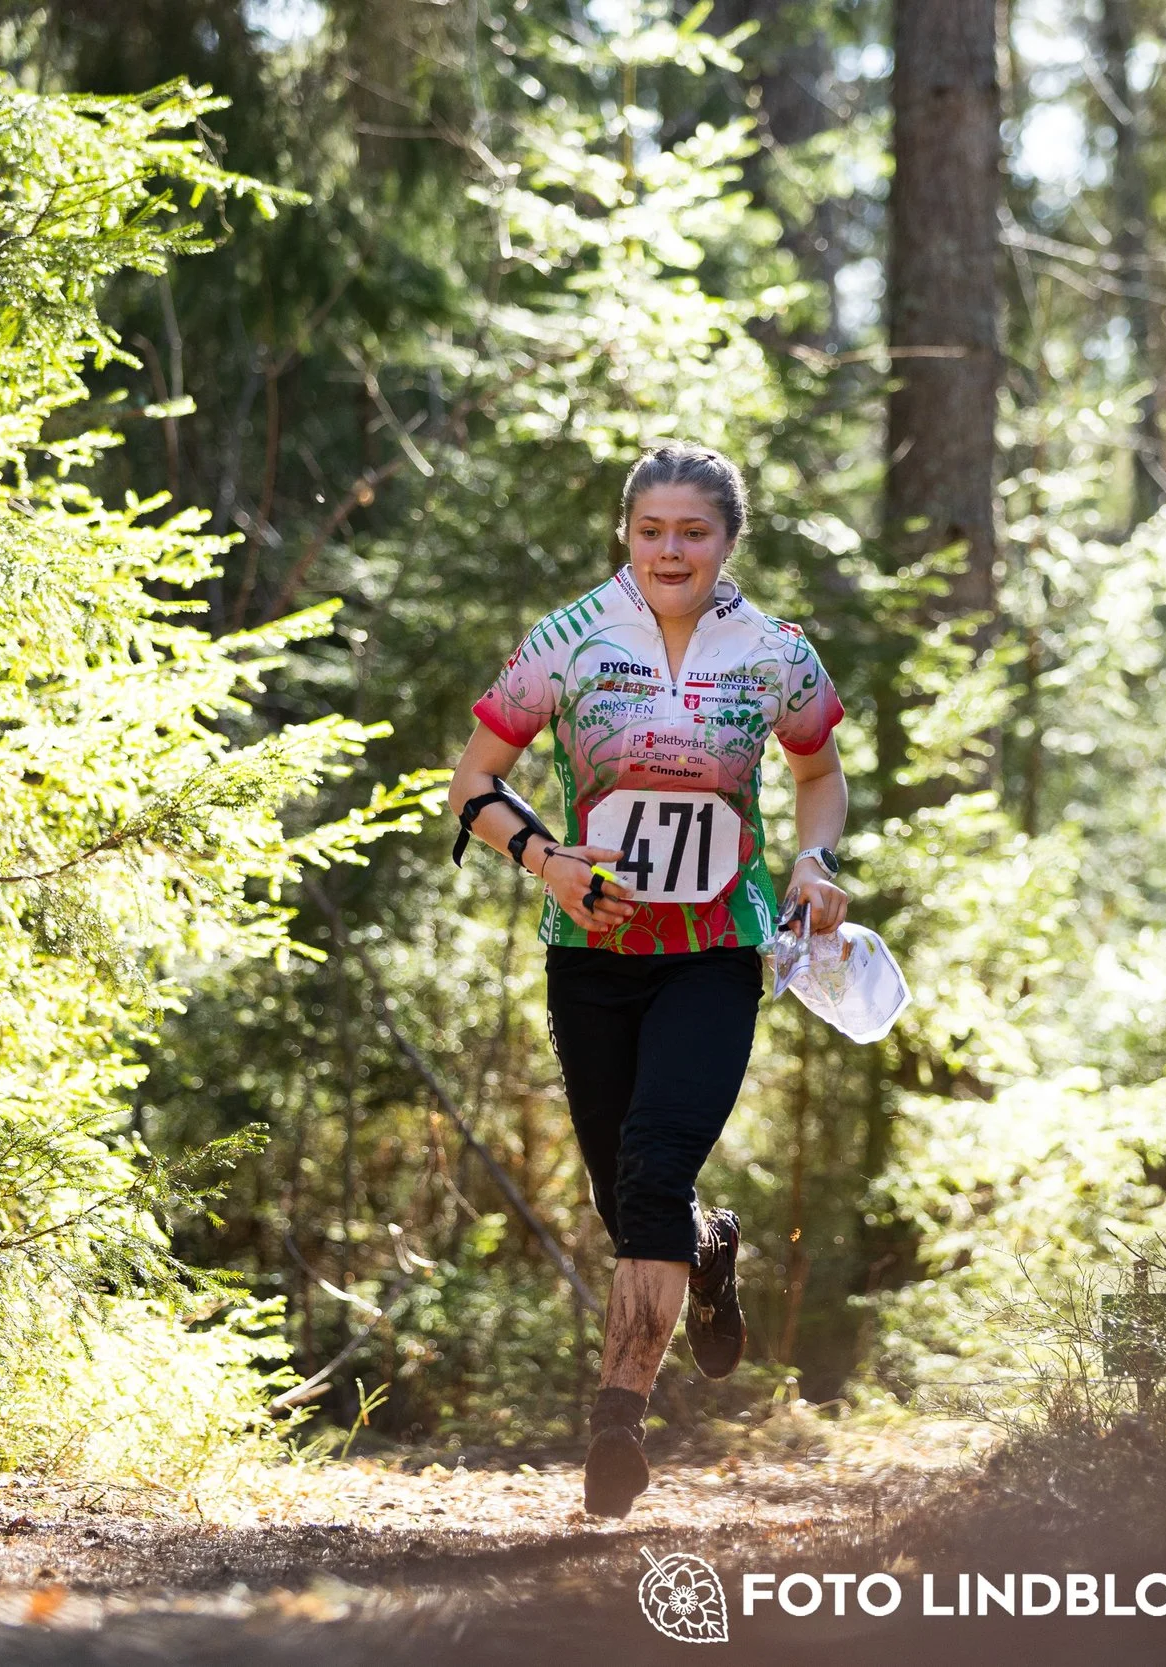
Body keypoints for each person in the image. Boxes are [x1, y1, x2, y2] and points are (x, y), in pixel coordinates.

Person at [446, 444, 850, 1518]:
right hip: (592, 955)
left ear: (729, 539)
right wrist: (550, 863)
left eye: (694, 531)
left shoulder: (773, 652)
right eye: (651, 530)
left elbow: (817, 767)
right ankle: (708, 1252)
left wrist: (814, 859)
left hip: (717, 950)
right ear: (626, 533)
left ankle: (615, 1423)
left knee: (655, 1161)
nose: (671, 550)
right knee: (624, 1193)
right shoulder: (569, 638)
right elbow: (473, 781)